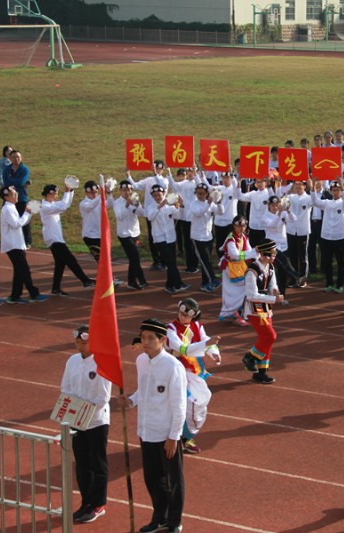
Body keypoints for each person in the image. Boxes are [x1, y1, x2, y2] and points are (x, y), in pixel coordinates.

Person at [122, 319, 186, 533]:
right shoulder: (141, 360)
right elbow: (143, 390)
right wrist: (131, 400)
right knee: (152, 479)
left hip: (166, 434)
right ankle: (159, 517)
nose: (146, 342)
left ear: (162, 340)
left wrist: (174, 436)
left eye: (151, 338)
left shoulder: (173, 366)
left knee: (173, 481)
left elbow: (179, 404)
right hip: (146, 430)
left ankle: (174, 522)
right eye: (143, 337)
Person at [60, 326, 111, 523]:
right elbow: (65, 387)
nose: (81, 345)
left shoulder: (101, 362)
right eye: (78, 342)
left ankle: (98, 504)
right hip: (76, 420)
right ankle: (86, 502)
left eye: (84, 342)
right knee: (81, 464)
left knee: (97, 463)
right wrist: (73, 410)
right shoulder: (72, 361)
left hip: (96, 421)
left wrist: (83, 411)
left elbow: (103, 398)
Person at [165, 299, 220, 455]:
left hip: (196, 372)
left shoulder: (197, 326)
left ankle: (184, 436)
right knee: (189, 405)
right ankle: (180, 437)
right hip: (177, 373)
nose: (182, 317)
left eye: (186, 316)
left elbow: (206, 341)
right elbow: (183, 349)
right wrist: (207, 344)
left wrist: (214, 353)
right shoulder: (170, 329)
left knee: (195, 405)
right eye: (181, 314)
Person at [240, 239, 284, 384]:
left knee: (266, 340)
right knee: (270, 336)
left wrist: (275, 291)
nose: (273, 257)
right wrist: (273, 299)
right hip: (255, 308)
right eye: (271, 255)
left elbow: (273, 284)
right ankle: (250, 357)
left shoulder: (270, 267)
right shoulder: (252, 271)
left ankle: (261, 373)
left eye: (274, 254)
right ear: (262, 255)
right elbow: (251, 295)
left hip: (266, 307)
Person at [40, 184, 95, 295]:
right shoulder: (45, 207)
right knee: (71, 260)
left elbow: (67, 204)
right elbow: (63, 206)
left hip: (56, 238)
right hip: (54, 239)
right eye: (55, 193)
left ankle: (55, 288)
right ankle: (85, 281)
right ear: (49, 194)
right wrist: (66, 191)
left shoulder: (52, 204)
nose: (57, 196)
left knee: (60, 264)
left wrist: (71, 190)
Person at [0, 185, 48, 304]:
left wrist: (28, 213)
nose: (16, 195)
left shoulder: (11, 207)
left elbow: (21, 223)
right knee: (24, 270)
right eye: (13, 194)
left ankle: (15, 295)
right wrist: (27, 213)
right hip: (13, 245)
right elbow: (16, 224)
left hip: (16, 243)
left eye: (16, 193)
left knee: (19, 270)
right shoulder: (8, 209)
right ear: (6, 197)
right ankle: (33, 293)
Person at [145, 184, 188, 295]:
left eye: (159, 194)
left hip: (170, 237)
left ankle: (169, 285)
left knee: (171, 262)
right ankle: (178, 284)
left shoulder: (170, 206)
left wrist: (181, 205)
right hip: (159, 238)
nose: (158, 197)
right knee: (171, 262)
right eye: (155, 195)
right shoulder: (151, 206)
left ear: (164, 193)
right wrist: (159, 206)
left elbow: (178, 216)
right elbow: (150, 217)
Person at [219, 215, 255, 326]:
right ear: (234, 226)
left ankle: (239, 312)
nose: (241, 228)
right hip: (230, 269)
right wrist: (252, 253)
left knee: (243, 289)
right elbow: (234, 255)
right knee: (233, 292)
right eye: (239, 226)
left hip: (239, 268)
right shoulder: (231, 239)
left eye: (243, 225)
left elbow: (248, 250)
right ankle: (235, 314)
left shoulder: (243, 237)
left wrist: (256, 254)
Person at [113, 180, 148, 290]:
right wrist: (127, 204)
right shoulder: (117, 203)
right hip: (124, 234)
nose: (127, 192)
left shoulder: (135, 199)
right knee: (135, 256)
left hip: (135, 232)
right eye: (124, 190)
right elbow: (120, 217)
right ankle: (141, 279)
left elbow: (142, 214)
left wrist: (137, 205)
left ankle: (132, 281)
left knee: (134, 258)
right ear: (120, 191)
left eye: (129, 190)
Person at [2, 149, 32, 247]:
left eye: (18, 157)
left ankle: (27, 241)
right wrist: (14, 181)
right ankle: (10, 240)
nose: (16, 159)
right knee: (8, 219)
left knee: (24, 219)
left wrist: (11, 180)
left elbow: (21, 182)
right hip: (8, 198)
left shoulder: (25, 169)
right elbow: (5, 182)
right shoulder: (7, 169)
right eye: (14, 157)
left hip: (21, 197)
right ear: (10, 158)